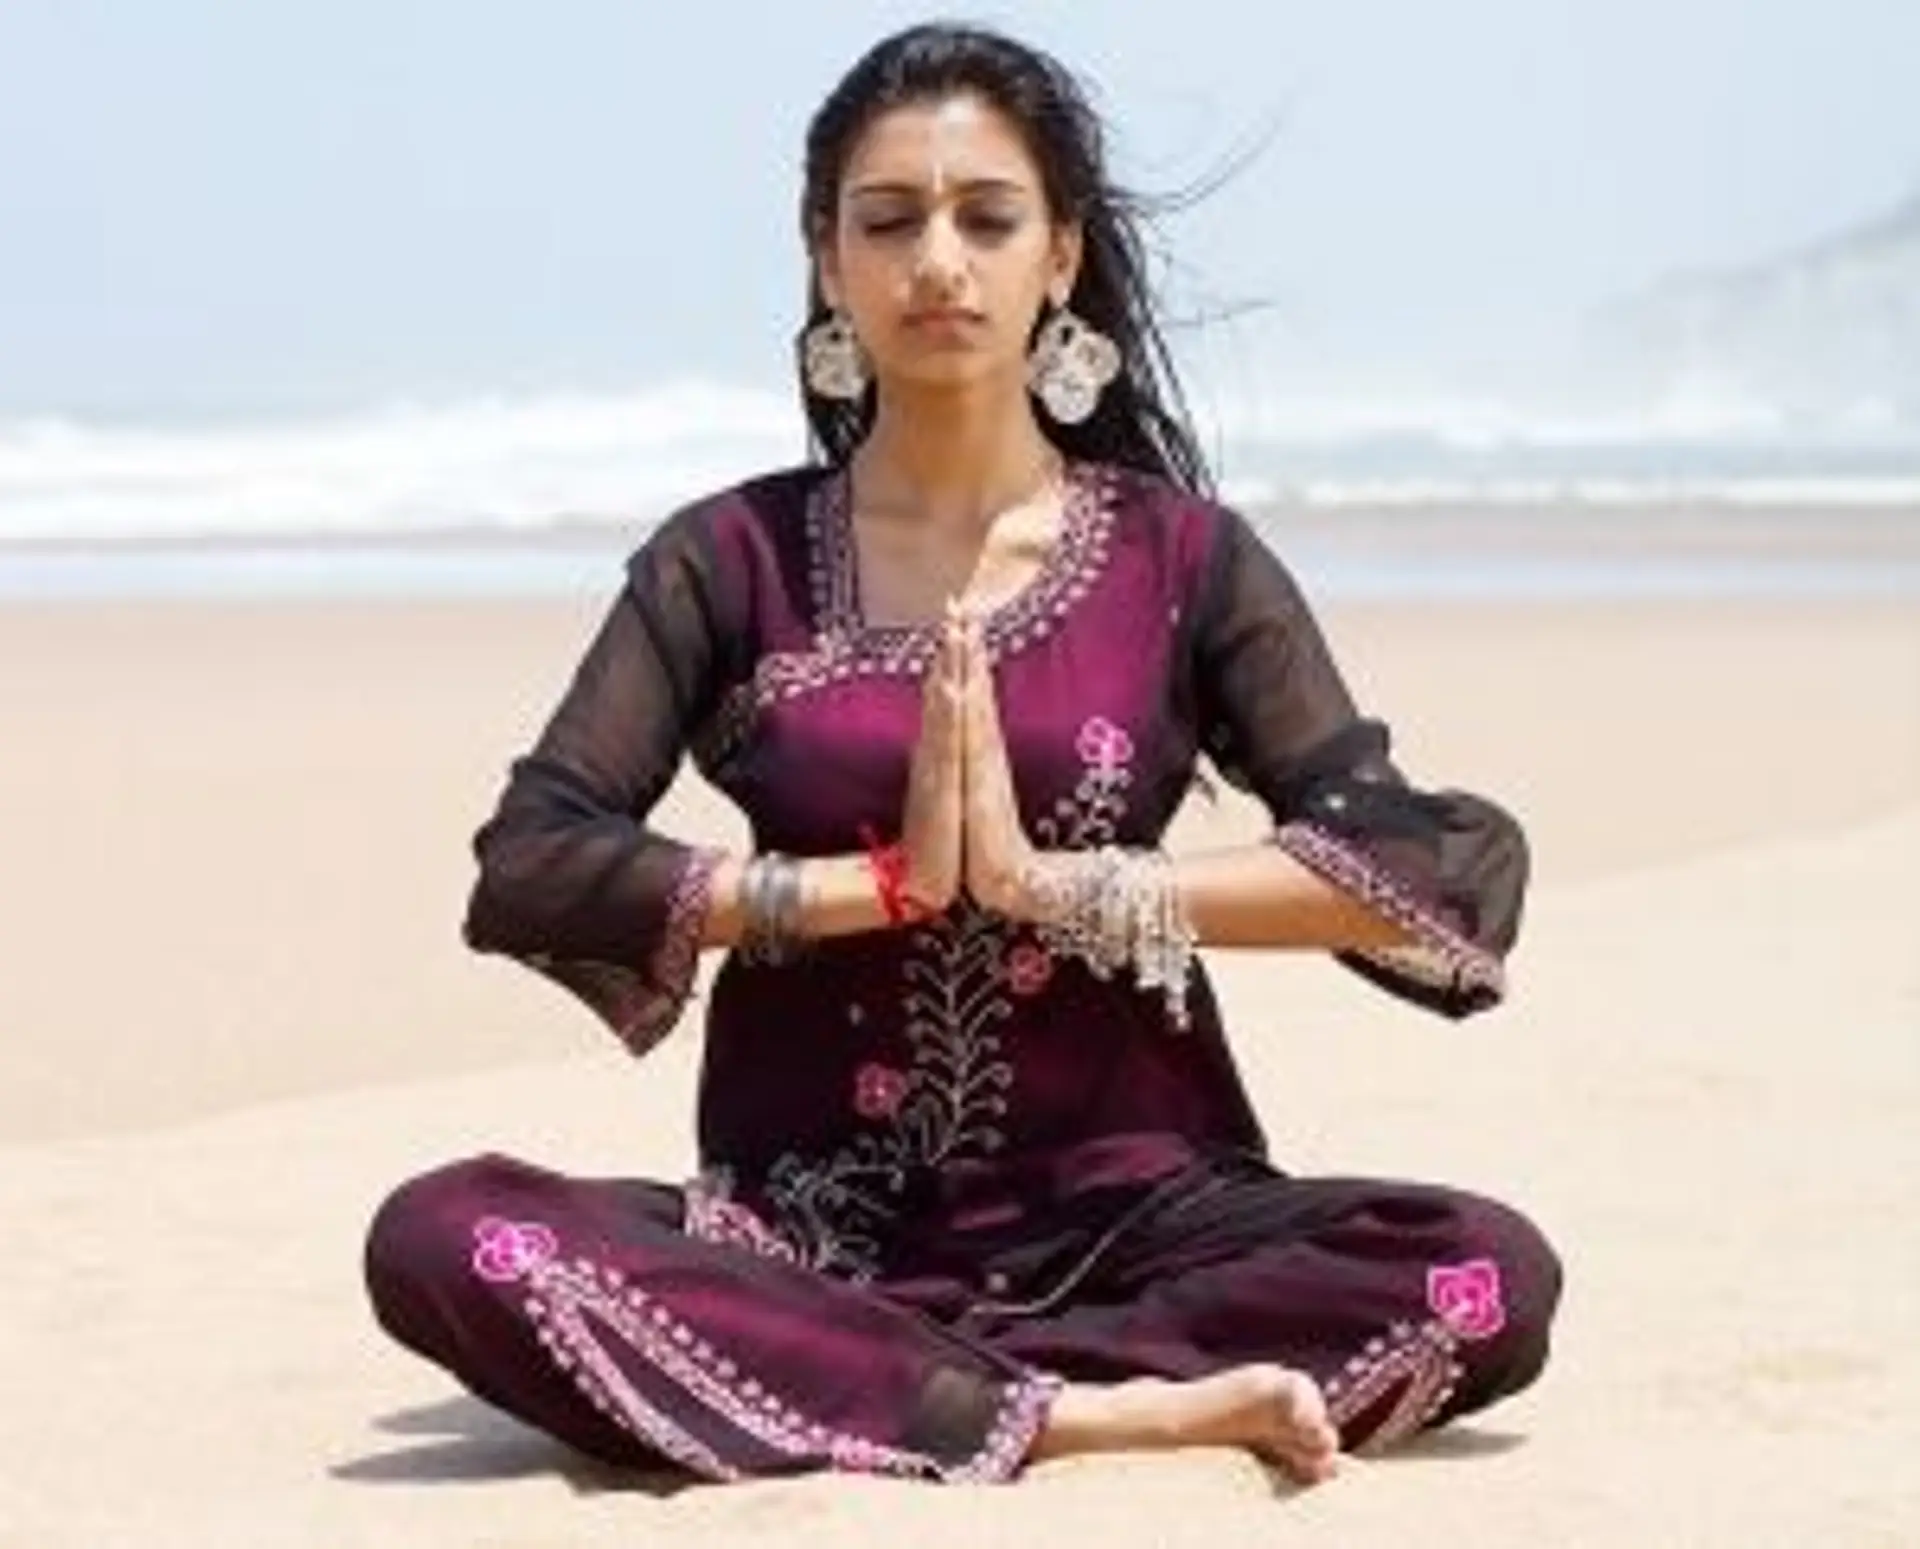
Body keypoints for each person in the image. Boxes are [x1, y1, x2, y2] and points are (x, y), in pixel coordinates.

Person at [363, 22, 1560, 1489]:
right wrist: (866, 887)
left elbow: (1425, 863)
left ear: (1059, 256)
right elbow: (535, 862)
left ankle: (900, 1403)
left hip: (1138, 1224)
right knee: (449, 1234)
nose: (940, 260)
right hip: (803, 1241)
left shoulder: (1182, 561)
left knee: (1484, 1274)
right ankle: (1073, 1416)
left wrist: (1070, 884)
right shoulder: (729, 561)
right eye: (889, 220)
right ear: (826, 260)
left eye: (987, 218)